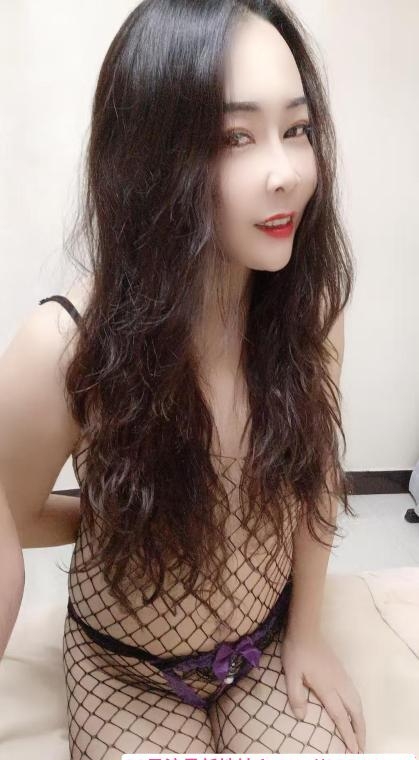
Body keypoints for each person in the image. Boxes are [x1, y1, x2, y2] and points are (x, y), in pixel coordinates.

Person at [0, 0, 367, 756]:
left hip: (261, 644)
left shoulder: (311, 308)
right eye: (235, 137)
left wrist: (306, 634)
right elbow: (11, 514)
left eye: (297, 129)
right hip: (124, 670)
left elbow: (313, 475)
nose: (285, 172)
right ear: (151, 157)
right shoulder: (66, 345)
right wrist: (127, 513)